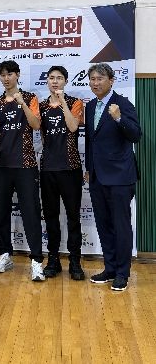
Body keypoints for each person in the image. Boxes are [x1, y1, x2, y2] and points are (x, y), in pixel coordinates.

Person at [85, 63, 141, 292]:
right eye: (92, 79)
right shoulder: (90, 106)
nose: (95, 83)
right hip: (97, 176)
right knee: (104, 224)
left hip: (120, 177)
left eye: (100, 78)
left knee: (121, 226)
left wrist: (119, 119)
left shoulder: (123, 103)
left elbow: (135, 135)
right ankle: (109, 268)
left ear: (111, 80)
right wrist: (88, 168)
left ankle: (122, 273)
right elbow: (91, 141)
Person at [0, 60, 45, 281]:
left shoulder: (30, 98)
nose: (6, 78)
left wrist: (22, 103)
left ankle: (36, 261)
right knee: (2, 212)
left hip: (25, 165)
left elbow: (36, 125)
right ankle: (5, 255)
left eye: (9, 74)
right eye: (2, 75)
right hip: (1, 165)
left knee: (30, 212)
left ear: (17, 75)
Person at [39, 66, 85, 280]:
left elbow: (73, 127)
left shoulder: (75, 103)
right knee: (50, 217)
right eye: (51, 78)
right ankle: (53, 260)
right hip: (48, 168)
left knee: (73, 217)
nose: (55, 81)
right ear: (47, 81)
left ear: (65, 81)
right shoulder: (41, 106)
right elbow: (40, 133)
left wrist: (63, 102)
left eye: (59, 78)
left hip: (70, 168)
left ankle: (75, 261)